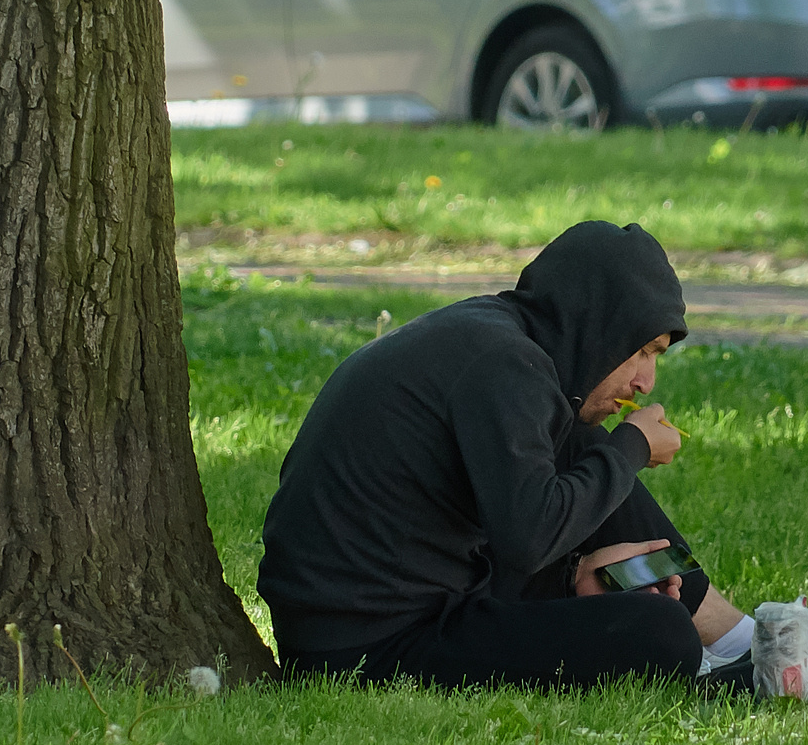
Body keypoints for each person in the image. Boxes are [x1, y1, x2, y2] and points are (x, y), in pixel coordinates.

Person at [258, 220, 759, 687]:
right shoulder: (506, 365)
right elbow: (530, 538)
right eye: (643, 351)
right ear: (596, 324)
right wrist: (631, 448)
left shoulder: (496, 340)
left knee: (583, 443)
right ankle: (744, 650)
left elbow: (513, 522)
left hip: (413, 599)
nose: (646, 381)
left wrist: (573, 576)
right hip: (369, 644)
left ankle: (742, 637)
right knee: (660, 630)